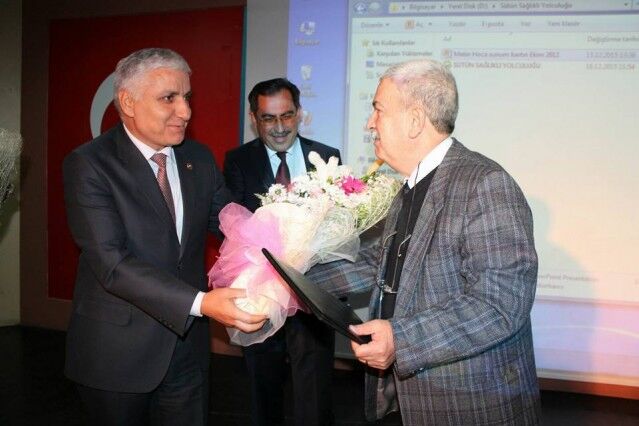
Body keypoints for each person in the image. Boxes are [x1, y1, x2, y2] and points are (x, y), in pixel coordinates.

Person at [308, 59, 541, 425]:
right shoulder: (410, 186)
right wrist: (291, 279)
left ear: (415, 120)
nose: (370, 123)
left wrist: (400, 339)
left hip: (472, 407)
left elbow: (499, 304)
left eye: (378, 110)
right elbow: (381, 264)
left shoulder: (485, 184)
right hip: (416, 401)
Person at [62, 48, 266, 426]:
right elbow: (112, 264)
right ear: (128, 102)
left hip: (187, 350)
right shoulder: (89, 164)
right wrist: (201, 303)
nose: (185, 111)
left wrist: (291, 233)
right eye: (169, 98)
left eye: (187, 97)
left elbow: (232, 225)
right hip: (116, 355)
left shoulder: (198, 158)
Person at [223, 78, 340, 426]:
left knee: (314, 390)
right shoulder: (238, 161)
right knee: (264, 384)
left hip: (313, 289)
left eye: (287, 115)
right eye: (268, 118)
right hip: (262, 291)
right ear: (253, 118)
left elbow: (338, 221)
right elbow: (232, 224)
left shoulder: (327, 156)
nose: (279, 127)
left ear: (299, 113)